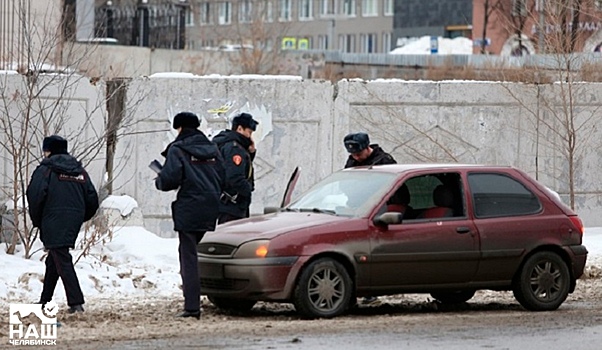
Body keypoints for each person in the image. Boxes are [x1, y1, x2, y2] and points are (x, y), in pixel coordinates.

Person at [155, 112, 224, 320]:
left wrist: (159, 178)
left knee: (188, 257)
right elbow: (223, 176)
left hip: (189, 207)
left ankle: (192, 307)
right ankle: (204, 297)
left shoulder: (178, 149)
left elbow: (169, 181)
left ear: (180, 128)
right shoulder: (213, 149)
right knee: (195, 253)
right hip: (211, 207)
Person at [26, 135, 99, 314]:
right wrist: (79, 217)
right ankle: (45, 300)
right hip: (72, 220)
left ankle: (76, 303)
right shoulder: (80, 171)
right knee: (55, 259)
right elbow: (92, 199)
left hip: (52, 219)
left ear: (48, 151)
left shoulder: (45, 170)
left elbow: (35, 196)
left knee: (61, 258)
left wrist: (38, 220)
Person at [344, 132, 397, 306]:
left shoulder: (384, 162)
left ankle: (370, 293)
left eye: (359, 154)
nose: (356, 158)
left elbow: (395, 193)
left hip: (379, 213)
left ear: (368, 148)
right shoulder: (352, 162)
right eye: (353, 155)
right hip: (356, 211)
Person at [213, 112, 259, 224]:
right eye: (249, 132)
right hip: (232, 206)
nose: (250, 137)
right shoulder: (235, 148)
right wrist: (247, 191)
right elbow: (235, 177)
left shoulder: (229, 144)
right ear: (239, 129)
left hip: (227, 205)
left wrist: (250, 153)